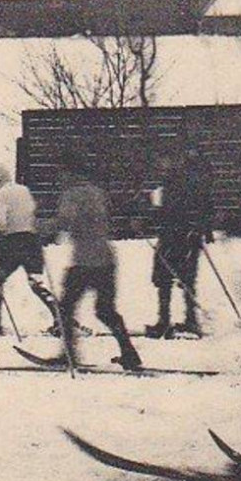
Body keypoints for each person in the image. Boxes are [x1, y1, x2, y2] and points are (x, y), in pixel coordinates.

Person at [53, 154, 141, 371]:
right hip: (106, 259)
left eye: (61, 173)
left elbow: (65, 221)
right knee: (105, 310)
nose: (59, 178)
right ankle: (129, 353)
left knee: (64, 308)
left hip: (85, 261)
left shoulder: (72, 194)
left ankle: (69, 354)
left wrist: (39, 226)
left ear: (69, 173)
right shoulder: (97, 192)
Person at [0, 163, 61, 337]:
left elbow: (1, 222)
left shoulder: (3, 193)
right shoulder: (24, 190)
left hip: (14, 243)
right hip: (32, 241)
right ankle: (60, 318)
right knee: (36, 283)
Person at [145, 144, 212, 339]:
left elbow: (177, 209)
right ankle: (182, 320)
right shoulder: (174, 181)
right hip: (180, 234)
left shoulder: (179, 181)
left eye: (164, 159)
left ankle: (170, 322)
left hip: (177, 235)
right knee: (178, 278)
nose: (161, 164)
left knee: (169, 277)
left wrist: (199, 229)